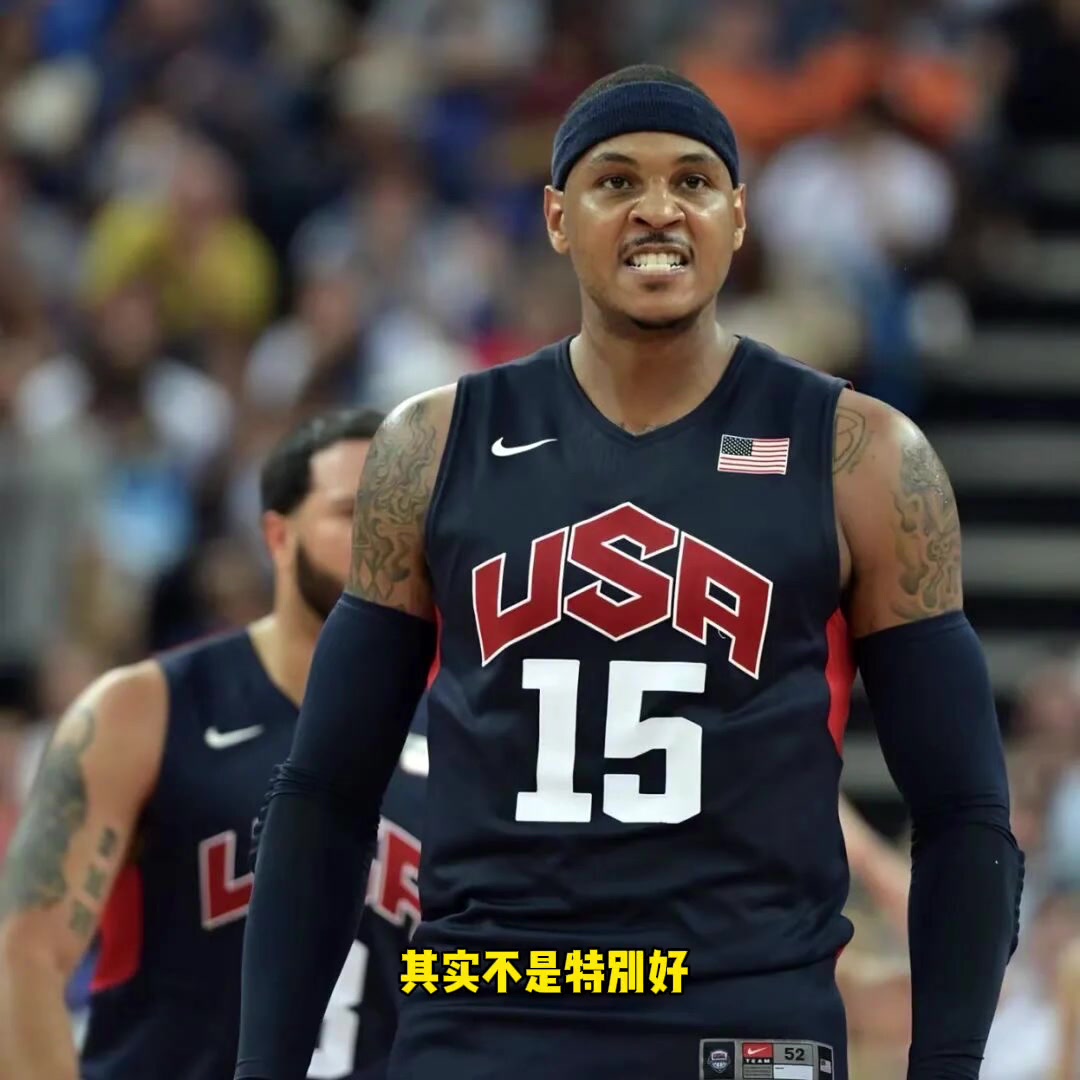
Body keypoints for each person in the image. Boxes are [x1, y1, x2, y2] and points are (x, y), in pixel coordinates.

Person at [235, 65, 1024, 1080]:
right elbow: (324, 794)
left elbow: (963, 812)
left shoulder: (862, 455)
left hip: (744, 1021)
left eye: (693, 181)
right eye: (616, 182)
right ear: (558, 219)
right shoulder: (430, 447)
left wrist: (947, 1065)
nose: (658, 208)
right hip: (488, 1010)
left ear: (739, 217)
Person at [0, 407, 426, 1080]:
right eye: (354, 513)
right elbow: (22, 957)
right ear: (278, 536)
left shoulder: (464, 725)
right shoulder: (142, 709)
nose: (386, 539)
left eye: (406, 518)